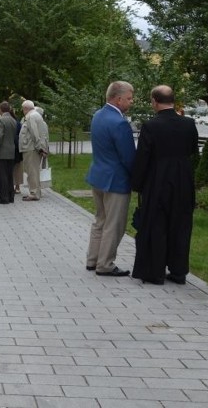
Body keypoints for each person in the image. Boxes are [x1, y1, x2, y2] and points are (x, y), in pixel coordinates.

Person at [131, 85, 199, 285]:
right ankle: (178, 272)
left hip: (158, 178)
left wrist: (138, 183)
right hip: (183, 179)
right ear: (173, 101)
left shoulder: (151, 126)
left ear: (154, 101)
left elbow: (143, 157)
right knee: (181, 224)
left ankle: (155, 271)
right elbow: (193, 149)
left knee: (157, 223)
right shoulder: (188, 124)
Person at [85, 81, 136, 277]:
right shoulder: (120, 122)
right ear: (118, 98)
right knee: (114, 224)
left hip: (98, 175)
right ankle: (105, 264)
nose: (131, 102)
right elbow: (128, 157)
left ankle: (93, 259)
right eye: (129, 98)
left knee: (100, 220)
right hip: (116, 180)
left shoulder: (98, 115)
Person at [18, 100, 49, 201]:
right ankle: (36, 191)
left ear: (25, 108)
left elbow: (34, 134)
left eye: (23, 109)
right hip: (33, 148)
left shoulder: (30, 116)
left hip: (31, 148)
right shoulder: (36, 115)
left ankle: (34, 193)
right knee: (34, 170)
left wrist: (39, 147)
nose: (23, 111)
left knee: (32, 171)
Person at [0, 101, 17, 204]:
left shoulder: (1, 120)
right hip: (11, 151)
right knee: (9, 175)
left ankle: (4, 197)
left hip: (1, 152)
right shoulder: (13, 120)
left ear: (0, 109)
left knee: (1, 176)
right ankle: (11, 196)